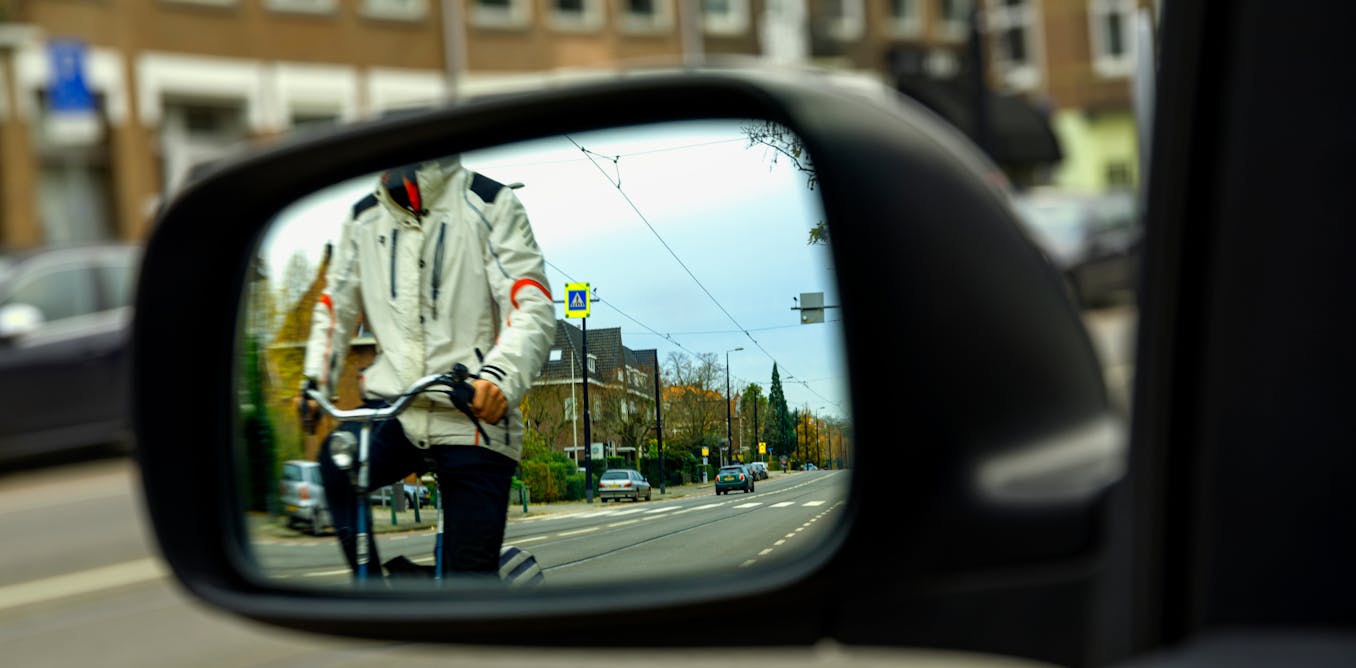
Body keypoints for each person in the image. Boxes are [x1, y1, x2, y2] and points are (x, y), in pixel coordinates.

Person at [297, 155, 555, 581]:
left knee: (467, 585)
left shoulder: (489, 204)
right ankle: (375, 591)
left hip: (472, 417)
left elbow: (531, 304)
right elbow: (335, 306)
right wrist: (313, 383)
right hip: (396, 411)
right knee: (336, 462)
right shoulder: (363, 219)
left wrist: (496, 380)